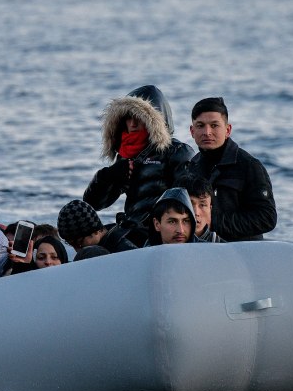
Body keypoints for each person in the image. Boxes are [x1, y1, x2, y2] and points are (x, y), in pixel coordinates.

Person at [83, 84, 194, 246]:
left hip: (161, 231)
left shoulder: (177, 151)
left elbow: (187, 202)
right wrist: (108, 176)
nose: (133, 123)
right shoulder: (126, 155)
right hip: (131, 228)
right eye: (129, 117)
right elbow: (93, 204)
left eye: (139, 117)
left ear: (155, 120)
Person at [188, 96, 276, 241]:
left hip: (242, 254)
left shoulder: (250, 166)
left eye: (214, 125)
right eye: (200, 125)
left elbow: (267, 218)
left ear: (228, 130)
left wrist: (213, 222)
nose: (207, 132)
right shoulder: (191, 166)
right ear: (192, 131)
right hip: (202, 251)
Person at [56, 198, 138, 262]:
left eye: (79, 242)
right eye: (71, 244)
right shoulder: (112, 239)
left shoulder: (125, 251)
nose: (77, 250)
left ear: (96, 231)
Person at [182, 175, 225, 243]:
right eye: (189, 204)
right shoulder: (160, 247)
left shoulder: (224, 249)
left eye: (202, 205)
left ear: (210, 209)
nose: (196, 212)